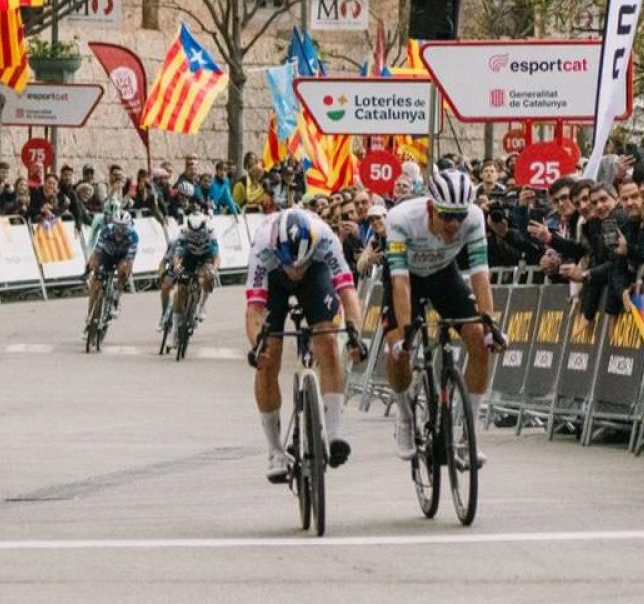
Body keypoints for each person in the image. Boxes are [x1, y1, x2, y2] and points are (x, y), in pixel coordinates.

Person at [381, 170, 502, 462]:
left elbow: (480, 275)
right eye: (447, 216)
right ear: (431, 207)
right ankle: (405, 416)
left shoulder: (474, 218)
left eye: (459, 216)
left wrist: (489, 325)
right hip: (406, 276)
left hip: (444, 275)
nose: (454, 224)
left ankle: (467, 435)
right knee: (398, 349)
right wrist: (407, 332)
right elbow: (400, 282)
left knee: (479, 341)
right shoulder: (401, 219)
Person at [245, 208, 364, 481]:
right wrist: (257, 347)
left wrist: (355, 334)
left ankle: (333, 433)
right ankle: (275, 450)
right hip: (274, 279)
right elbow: (254, 310)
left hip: (317, 271)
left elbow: (347, 291)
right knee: (268, 357)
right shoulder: (263, 245)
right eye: (292, 265)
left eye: (300, 264)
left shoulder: (325, 239)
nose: (295, 270)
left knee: (329, 342)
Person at [86, 210, 139, 330]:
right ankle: (89, 317)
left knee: (123, 270)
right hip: (107, 255)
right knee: (96, 283)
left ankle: (117, 297)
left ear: (128, 226)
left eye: (123, 227)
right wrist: (90, 267)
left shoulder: (133, 236)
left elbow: (130, 261)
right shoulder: (106, 231)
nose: (120, 230)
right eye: (118, 226)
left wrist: (125, 274)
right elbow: (97, 252)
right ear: (113, 224)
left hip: (122, 257)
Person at [168, 213, 221, 330]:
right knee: (181, 288)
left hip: (205, 256)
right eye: (193, 234)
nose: (196, 237)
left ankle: (202, 305)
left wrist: (214, 268)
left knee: (208, 276)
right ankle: (174, 331)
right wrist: (177, 265)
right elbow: (177, 253)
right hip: (189, 256)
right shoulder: (183, 231)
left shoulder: (210, 231)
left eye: (198, 234)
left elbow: (216, 255)